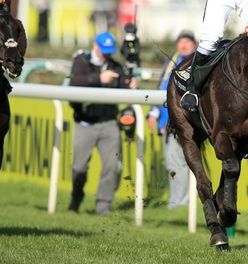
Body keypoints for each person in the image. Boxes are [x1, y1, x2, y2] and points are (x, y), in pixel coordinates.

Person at [68, 31, 138, 215]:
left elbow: (124, 85)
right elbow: (74, 82)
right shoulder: (81, 62)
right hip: (84, 122)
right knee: (79, 168)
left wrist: (130, 85)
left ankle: (103, 205)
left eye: (109, 51)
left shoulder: (115, 66)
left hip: (109, 123)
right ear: (95, 46)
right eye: (103, 50)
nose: (107, 54)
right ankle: (76, 198)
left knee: (113, 166)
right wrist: (99, 79)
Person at [146, 30, 196, 209]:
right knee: (173, 163)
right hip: (168, 121)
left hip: (184, 121)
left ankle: (179, 203)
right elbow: (162, 88)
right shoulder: (171, 61)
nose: (183, 45)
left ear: (194, 45)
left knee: (179, 163)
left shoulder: (195, 62)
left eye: (187, 42)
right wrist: (154, 113)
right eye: (180, 42)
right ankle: (178, 201)